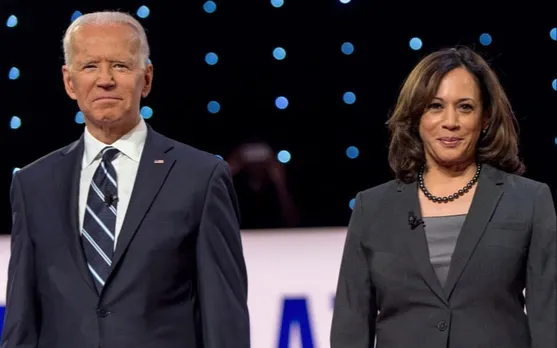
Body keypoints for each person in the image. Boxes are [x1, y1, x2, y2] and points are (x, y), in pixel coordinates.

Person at [2, 11, 250, 348]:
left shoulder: (201, 177)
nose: (105, 79)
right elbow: (21, 319)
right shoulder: (32, 185)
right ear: (69, 81)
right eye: (89, 66)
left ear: (146, 78)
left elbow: (225, 320)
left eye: (120, 65)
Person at [330, 46, 556, 348]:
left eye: (465, 107)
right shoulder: (372, 209)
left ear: (486, 117)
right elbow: (351, 325)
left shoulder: (530, 201)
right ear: (415, 116)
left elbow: (548, 321)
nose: (451, 121)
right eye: (435, 106)